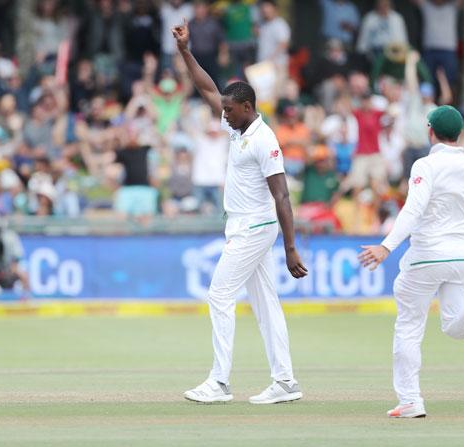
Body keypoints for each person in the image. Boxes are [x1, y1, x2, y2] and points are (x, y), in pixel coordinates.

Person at [172, 19, 308, 404]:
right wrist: (185, 50)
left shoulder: (264, 140)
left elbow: (282, 197)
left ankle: (219, 383)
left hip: (255, 227)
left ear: (248, 107)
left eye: (230, 110)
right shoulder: (239, 127)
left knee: (219, 294)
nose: (224, 115)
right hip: (247, 225)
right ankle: (285, 382)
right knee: (266, 305)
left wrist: (291, 248)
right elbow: (206, 88)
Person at [358, 105, 464, 418]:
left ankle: (410, 400)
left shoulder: (425, 165)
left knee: (408, 326)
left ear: (431, 131)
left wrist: (386, 246)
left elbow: (413, 209)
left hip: (427, 256)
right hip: (463, 256)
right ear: (458, 133)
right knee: (454, 326)